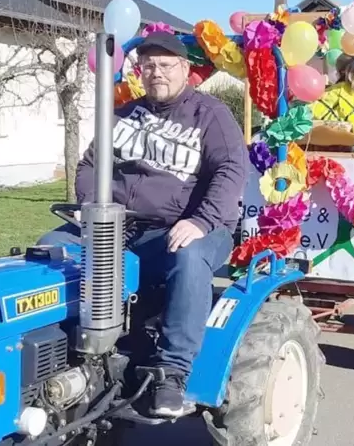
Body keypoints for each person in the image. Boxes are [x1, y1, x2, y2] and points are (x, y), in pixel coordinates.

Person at [36, 32, 246, 417]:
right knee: (49, 251)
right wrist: (88, 207)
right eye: (148, 65)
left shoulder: (211, 115)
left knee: (188, 255)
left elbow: (232, 170)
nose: (156, 72)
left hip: (191, 227)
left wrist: (200, 221)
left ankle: (172, 372)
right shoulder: (123, 116)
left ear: (185, 69)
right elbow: (89, 166)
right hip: (120, 225)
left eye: (166, 65)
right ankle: (63, 353)